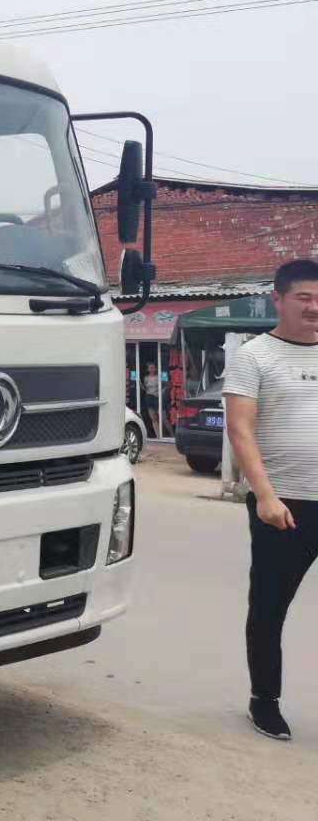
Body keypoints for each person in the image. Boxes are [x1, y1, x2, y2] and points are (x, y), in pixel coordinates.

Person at [224, 257, 318, 741]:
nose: (314, 306)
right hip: (284, 507)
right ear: (278, 298)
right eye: (304, 297)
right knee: (269, 606)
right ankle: (265, 700)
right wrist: (264, 495)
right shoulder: (254, 356)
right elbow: (240, 431)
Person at [142, 362, 162, 437]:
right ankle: (158, 435)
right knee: (153, 417)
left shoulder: (158, 377)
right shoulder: (146, 378)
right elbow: (145, 387)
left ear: (156, 368)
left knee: (159, 416)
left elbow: (164, 385)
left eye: (153, 367)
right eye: (150, 368)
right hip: (149, 397)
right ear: (148, 369)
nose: (152, 369)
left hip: (157, 397)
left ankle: (163, 434)